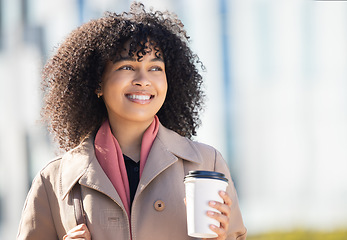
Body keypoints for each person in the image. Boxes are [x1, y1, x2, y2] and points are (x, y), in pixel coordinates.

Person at [17, 2, 247, 240]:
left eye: (155, 68)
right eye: (127, 66)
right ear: (98, 82)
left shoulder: (207, 164)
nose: (143, 80)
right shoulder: (52, 180)